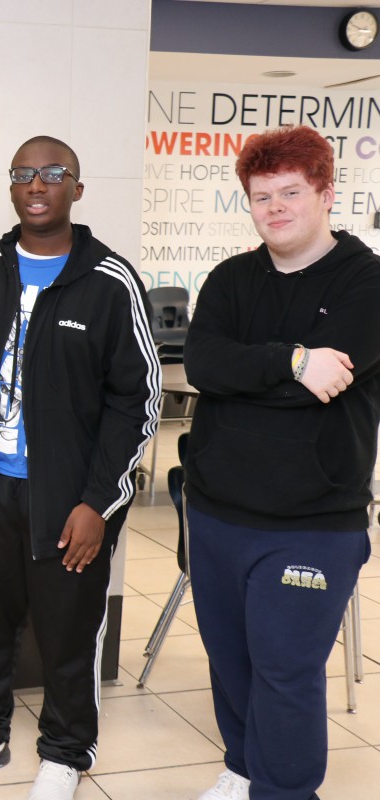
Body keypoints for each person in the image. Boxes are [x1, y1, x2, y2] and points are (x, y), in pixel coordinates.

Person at [0, 136, 160, 799]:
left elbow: (137, 401)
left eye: (52, 174)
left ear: (76, 189)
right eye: (24, 173)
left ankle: (65, 752)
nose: (37, 184)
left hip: (70, 499)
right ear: (11, 187)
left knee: (68, 633)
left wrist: (99, 501)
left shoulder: (109, 281)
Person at [183, 126, 380, 800]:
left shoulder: (367, 283)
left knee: (285, 673)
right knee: (231, 664)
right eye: (261, 196)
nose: (275, 208)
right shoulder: (231, 279)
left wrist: (250, 377)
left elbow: (332, 384)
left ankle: (285, 792)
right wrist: (293, 362)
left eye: (291, 192)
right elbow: (204, 364)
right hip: (216, 512)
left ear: (326, 192)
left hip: (312, 522)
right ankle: (243, 770)